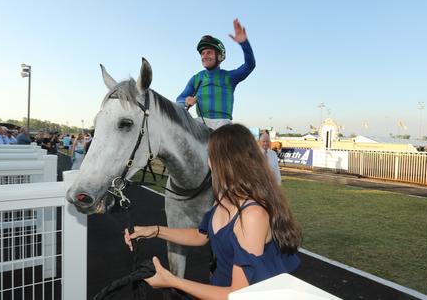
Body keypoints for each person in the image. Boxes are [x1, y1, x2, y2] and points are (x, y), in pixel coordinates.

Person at [124, 124, 301, 299]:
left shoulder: (252, 215)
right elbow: (201, 236)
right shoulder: (225, 198)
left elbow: (236, 294)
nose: (207, 160)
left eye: (210, 154)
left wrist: (173, 281)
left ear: (224, 160)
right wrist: (155, 230)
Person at [176, 19, 256, 130]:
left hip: (223, 124)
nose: (205, 56)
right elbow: (179, 100)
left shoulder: (230, 77)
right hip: (200, 123)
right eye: (203, 53)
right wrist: (185, 101)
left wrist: (244, 43)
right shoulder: (196, 78)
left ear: (219, 56)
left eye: (209, 52)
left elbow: (250, 65)